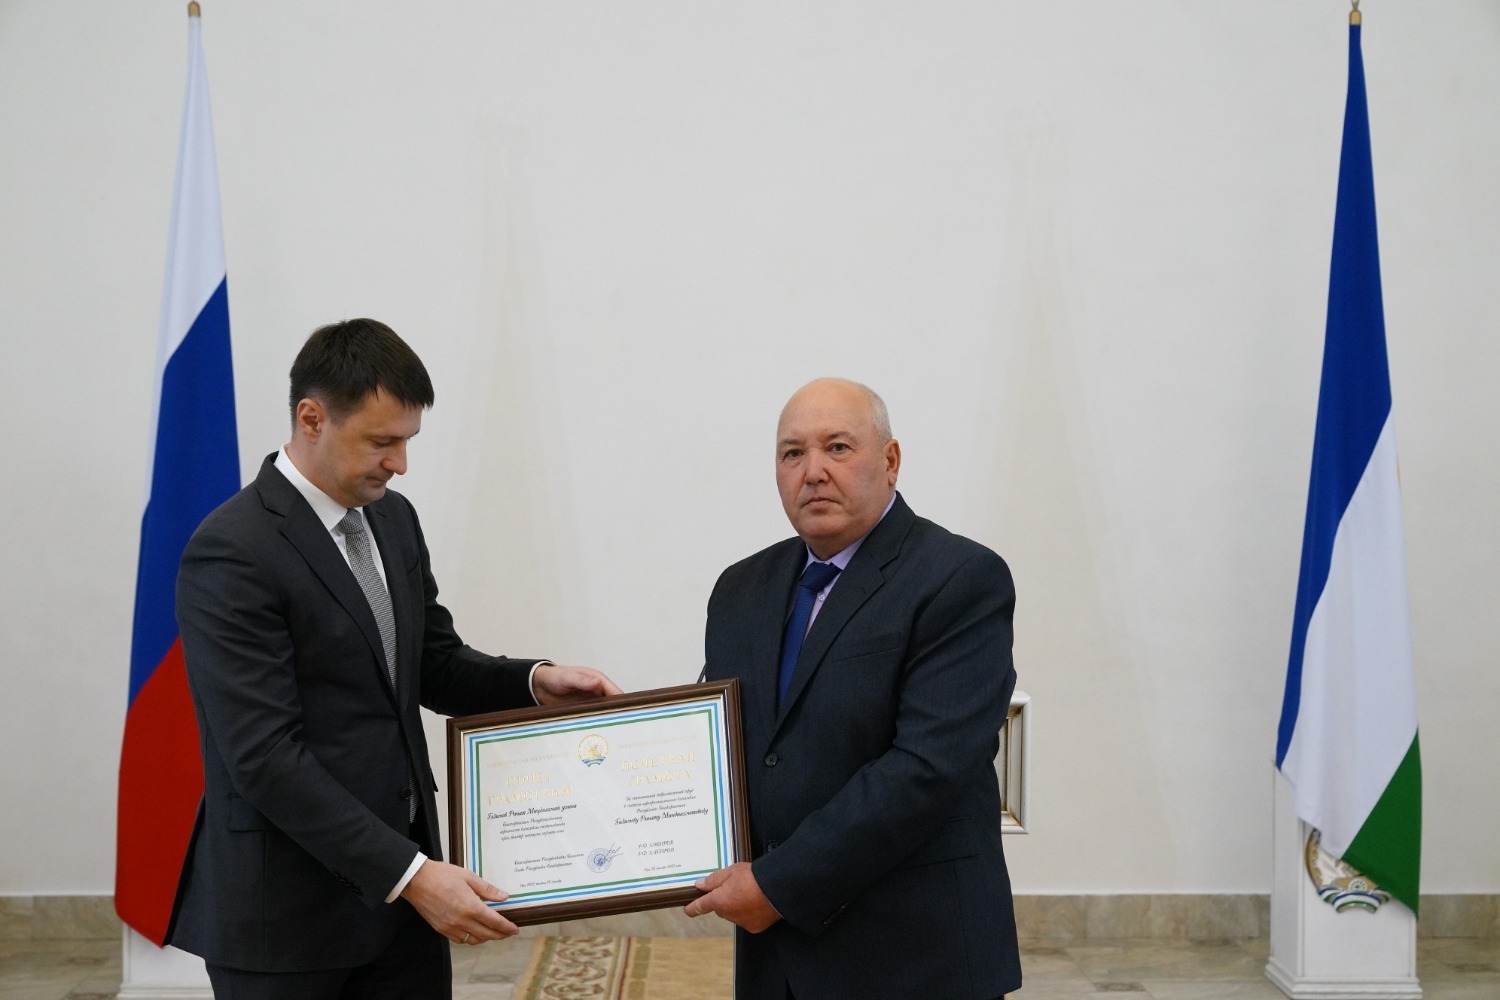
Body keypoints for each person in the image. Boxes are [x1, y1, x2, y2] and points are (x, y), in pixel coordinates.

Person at [167, 319, 622, 999]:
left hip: (401, 912)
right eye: (382, 442)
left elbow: (431, 662)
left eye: (407, 441)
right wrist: (410, 875)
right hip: (287, 917)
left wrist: (535, 682)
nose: (400, 463)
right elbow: (262, 756)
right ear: (312, 419)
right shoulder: (233, 550)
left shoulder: (392, 519)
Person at [685, 378, 1021, 1000]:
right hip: (777, 964)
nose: (813, 471)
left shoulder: (960, 577)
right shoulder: (740, 588)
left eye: (837, 447)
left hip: (916, 959)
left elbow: (927, 767)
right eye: (792, 453)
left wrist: (778, 885)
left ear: (890, 461)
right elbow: (725, 746)